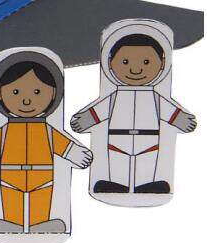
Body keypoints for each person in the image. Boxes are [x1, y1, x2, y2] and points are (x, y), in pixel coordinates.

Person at [0, 52, 92, 234]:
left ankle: (41, 224)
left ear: (53, 94)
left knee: (41, 202)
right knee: (11, 202)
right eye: (15, 92)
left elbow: (63, 145)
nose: (26, 100)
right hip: (10, 176)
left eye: (37, 92)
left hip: (43, 176)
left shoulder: (47, 131)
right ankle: (11, 223)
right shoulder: (5, 131)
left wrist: (75, 154)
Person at [71, 25, 196, 195]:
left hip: (148, 139)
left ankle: (147, 184)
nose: (135, 69)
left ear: (162, 63)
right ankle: (116, 184)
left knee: (147, 162)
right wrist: (85, 120)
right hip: (118, 138)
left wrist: (182, 120)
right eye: (125, 62)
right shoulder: (114, 97)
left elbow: (170, 112)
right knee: (118, 162)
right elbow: (98, 111)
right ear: (110, 62)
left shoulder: (156, 98)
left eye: (146, 62)